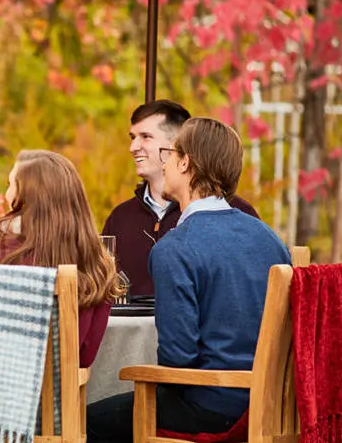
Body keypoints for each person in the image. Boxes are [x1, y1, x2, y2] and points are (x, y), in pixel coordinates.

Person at [87, 118, 290, 443]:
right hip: (274, 406)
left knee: (85, 424)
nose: (163, 162)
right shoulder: (269, 239)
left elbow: (178, 360)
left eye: (171, 153)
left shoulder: (175, 248)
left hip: (214, 406)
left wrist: (140, 374)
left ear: (186, 164)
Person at [0, 150, 121, 368]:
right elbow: (86, 358)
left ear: (25, 197)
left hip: (2, 393)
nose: (6, 195)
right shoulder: (98, 262)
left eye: (10, 185)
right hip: (64, 399)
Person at [102, 101, 259, 297]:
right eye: (133, 137)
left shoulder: (235, 212)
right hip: (128, 328)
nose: (133, 147)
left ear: (177, 145)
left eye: (146, 137)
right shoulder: (120, 218)